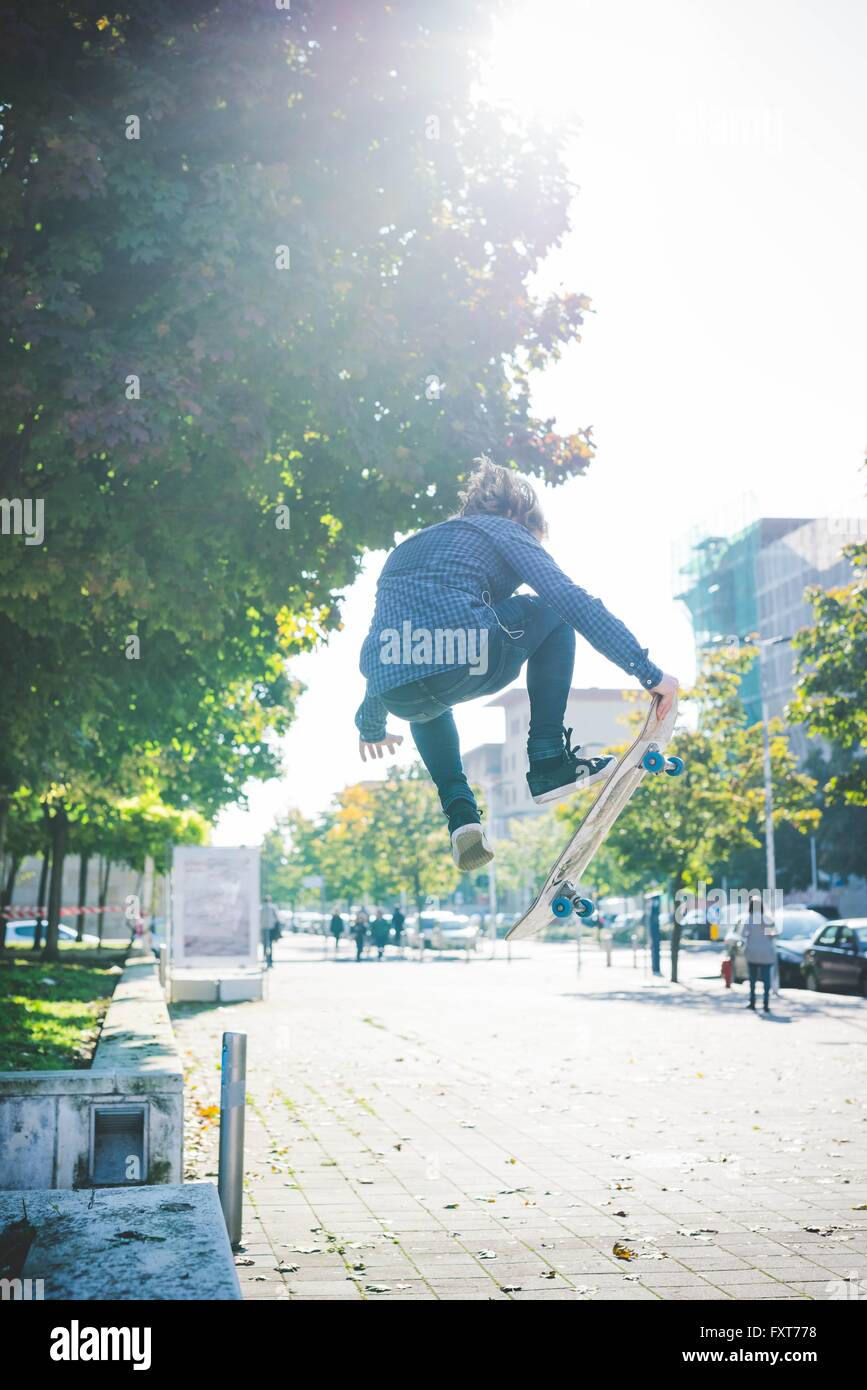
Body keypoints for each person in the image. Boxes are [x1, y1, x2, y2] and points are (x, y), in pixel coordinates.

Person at [355, 457, 678, 871]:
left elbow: (387, 643)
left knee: (423, 691)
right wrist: (648, 673)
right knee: (553, 610)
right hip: (469, 656)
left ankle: (462, 817)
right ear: (516, 517)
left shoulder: (406, 552)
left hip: (395, 687)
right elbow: (569, 598)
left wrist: (371, 725)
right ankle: (548, 762)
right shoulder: (505, 529)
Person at [742, 895, 777, 1013]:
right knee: (766, 980)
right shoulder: (767, 919)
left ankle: (752, 1002)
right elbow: (773, 935)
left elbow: (744, 935)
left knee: (752, 979)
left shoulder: (748, 920)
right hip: (766, 953)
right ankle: (766, 1004)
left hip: (752, 953)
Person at [260, 893, 277, 969]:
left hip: (263, 928)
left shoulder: (261, 908)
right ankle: (269, 962)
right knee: (270, 946)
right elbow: (277, 918)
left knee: (264, 946)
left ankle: (265, 960)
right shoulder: (273, 908)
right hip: (271, 928)